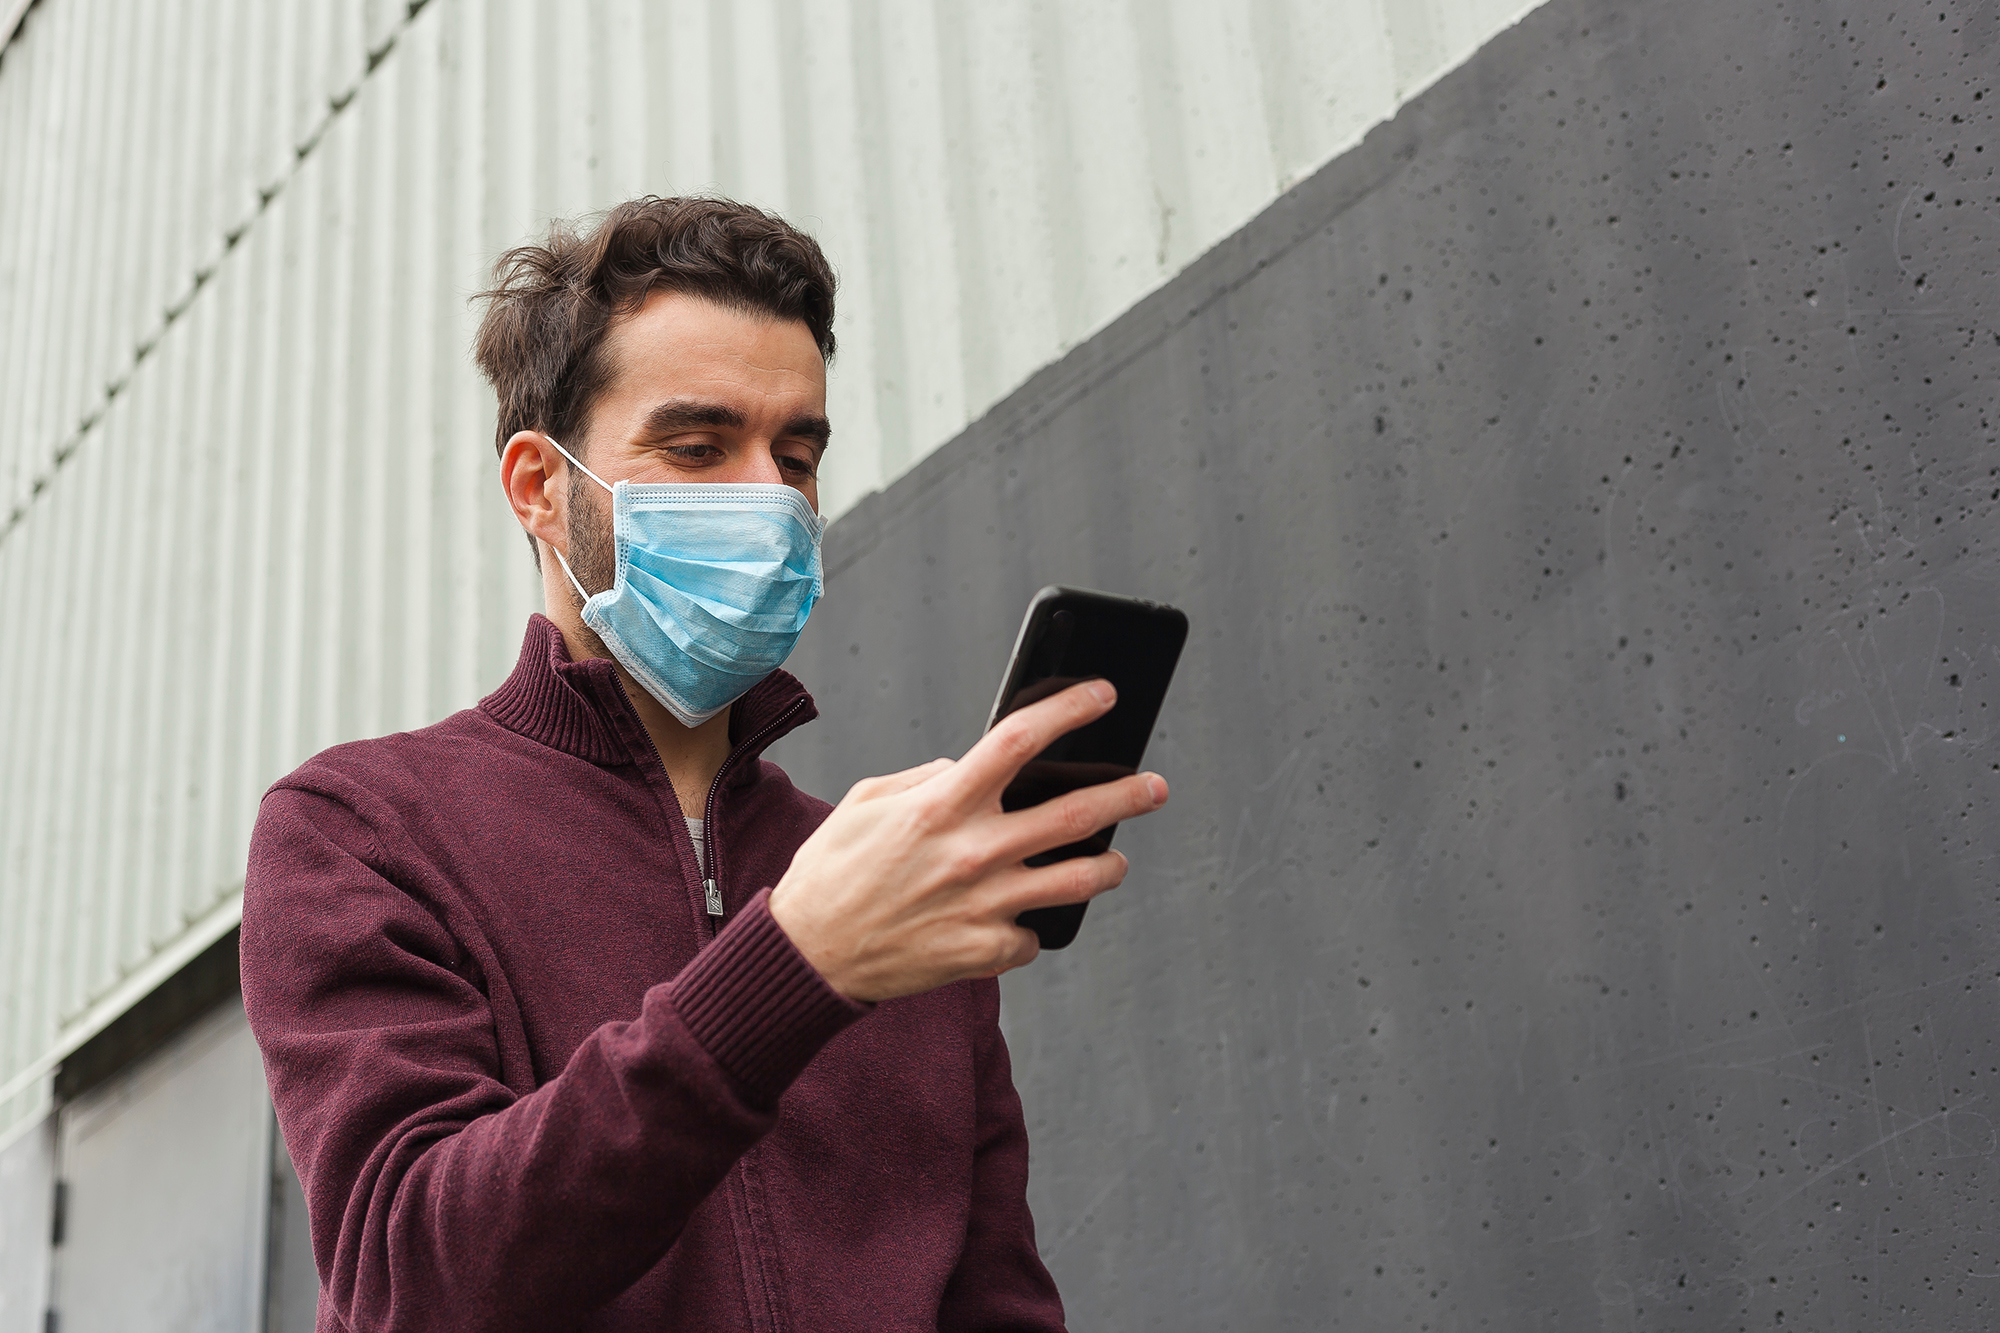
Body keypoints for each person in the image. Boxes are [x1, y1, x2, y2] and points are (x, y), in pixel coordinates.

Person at [239, 196, 1170, 1332]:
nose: (770, 500)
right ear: (541, 488)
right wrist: (792, 964)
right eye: (696, 446)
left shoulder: (887, 882)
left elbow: (997, 1298)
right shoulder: (361, 829)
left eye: (796, 452)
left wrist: (833, 933)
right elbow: (409, 1276)